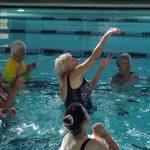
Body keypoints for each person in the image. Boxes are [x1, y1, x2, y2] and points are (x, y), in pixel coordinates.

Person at [55, 28, 120, 113]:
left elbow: (90, 87)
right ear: (66, 66)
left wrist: (101, 69)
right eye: (71, 59)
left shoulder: (70, 79)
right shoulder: (73, 74)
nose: (75, 59)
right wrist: (106, 35)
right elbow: (93, 58)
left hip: (77, 119)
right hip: (81, 119)